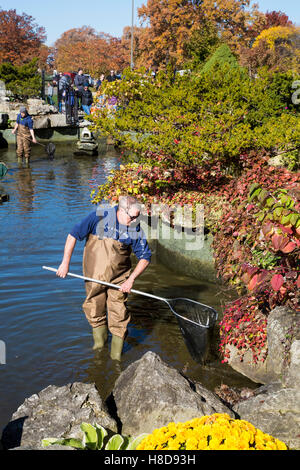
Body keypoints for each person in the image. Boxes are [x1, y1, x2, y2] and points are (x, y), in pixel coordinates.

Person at [56, 196, 151, 361]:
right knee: (94, 310)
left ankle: (116, 357)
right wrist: (65, 263)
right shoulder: (98, 217)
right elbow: (73, 235)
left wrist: (131, 279)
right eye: (133, 217)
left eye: (138, 217)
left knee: (119, 315)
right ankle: (99, 348)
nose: (135, 220)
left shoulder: (135, 229)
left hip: (120, 280)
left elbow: (145, 257)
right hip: (94, 277)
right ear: (121, 211)